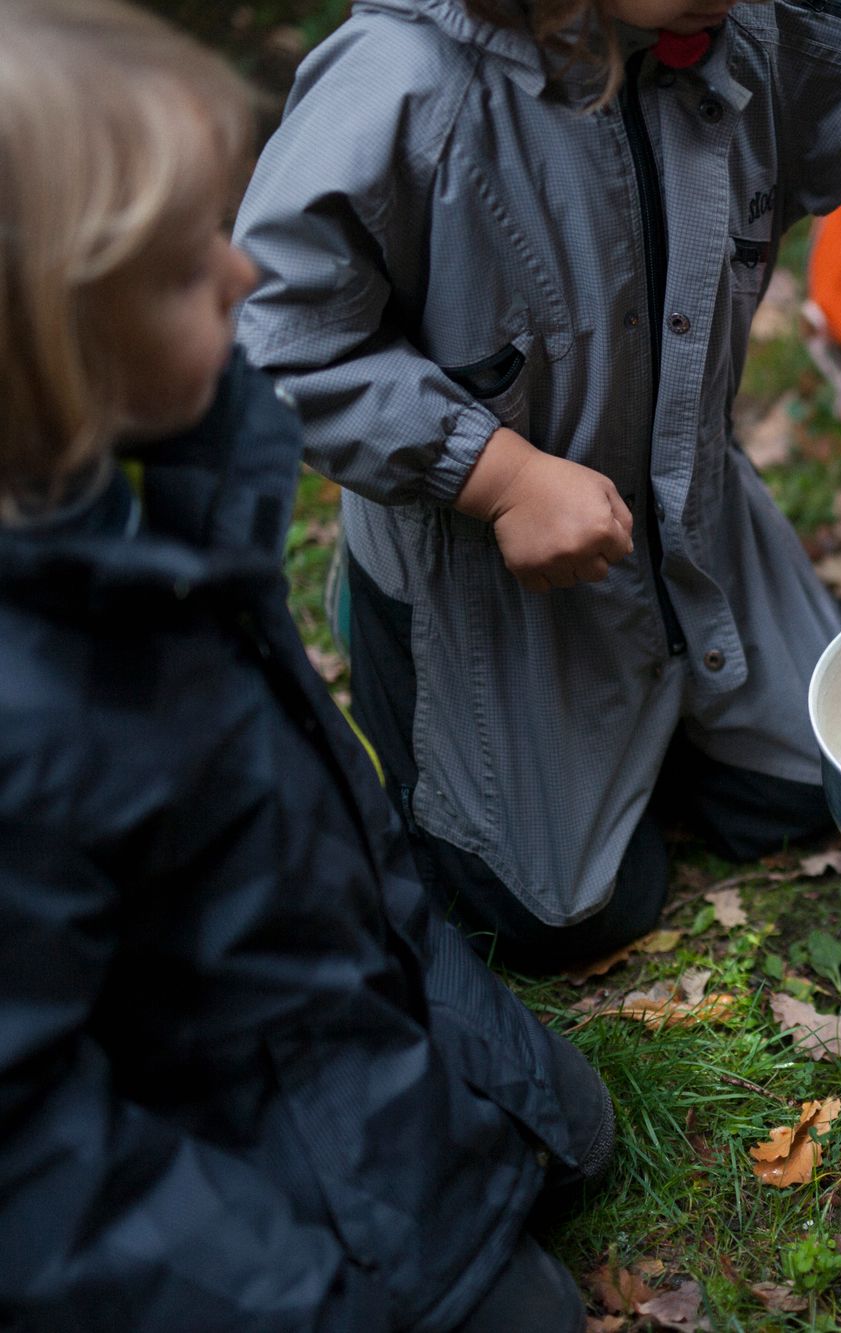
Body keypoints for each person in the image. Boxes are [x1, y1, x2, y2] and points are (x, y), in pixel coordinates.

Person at [231, 0, 841, 974]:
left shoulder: (758, 24)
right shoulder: (402, 80)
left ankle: (664, 701)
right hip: (484, 558)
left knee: (806, 793)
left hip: (692, 511)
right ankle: (391, 631)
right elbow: (274, 337)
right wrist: (491, 474)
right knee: (559, 918)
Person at [0, 3, 613, 1326]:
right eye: (179, 271)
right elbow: (39, 1172)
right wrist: (299, 1298)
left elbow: (311, 813)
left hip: (327, 1028)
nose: (241, 278)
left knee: (579, 1130)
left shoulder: (151, 509)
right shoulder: (26, 728)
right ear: (38, 353)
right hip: (246, 1183)